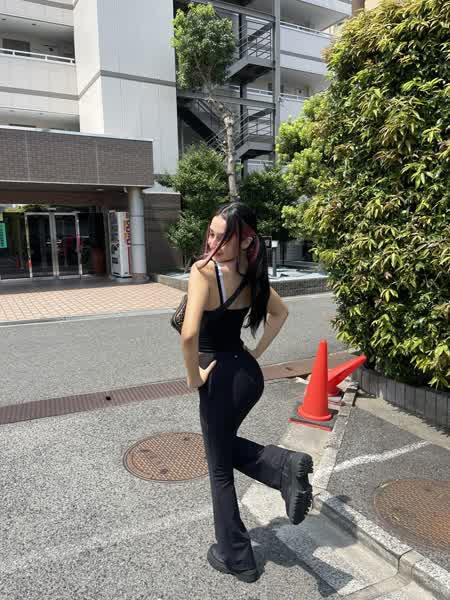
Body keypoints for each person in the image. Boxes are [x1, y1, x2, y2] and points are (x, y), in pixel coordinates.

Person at [180, 202, 313, 583]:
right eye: (211, 233)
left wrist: (193, 377)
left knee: (219, 469)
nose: (213, 243)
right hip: (246, 375)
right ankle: (281, 467)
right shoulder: (250, 273)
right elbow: (280, 313)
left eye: (223, 237)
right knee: (221, 448)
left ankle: (237, 556)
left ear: (245, 240)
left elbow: (189, 335)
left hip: (219, 379)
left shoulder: (203, 271)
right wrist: (256, 354)